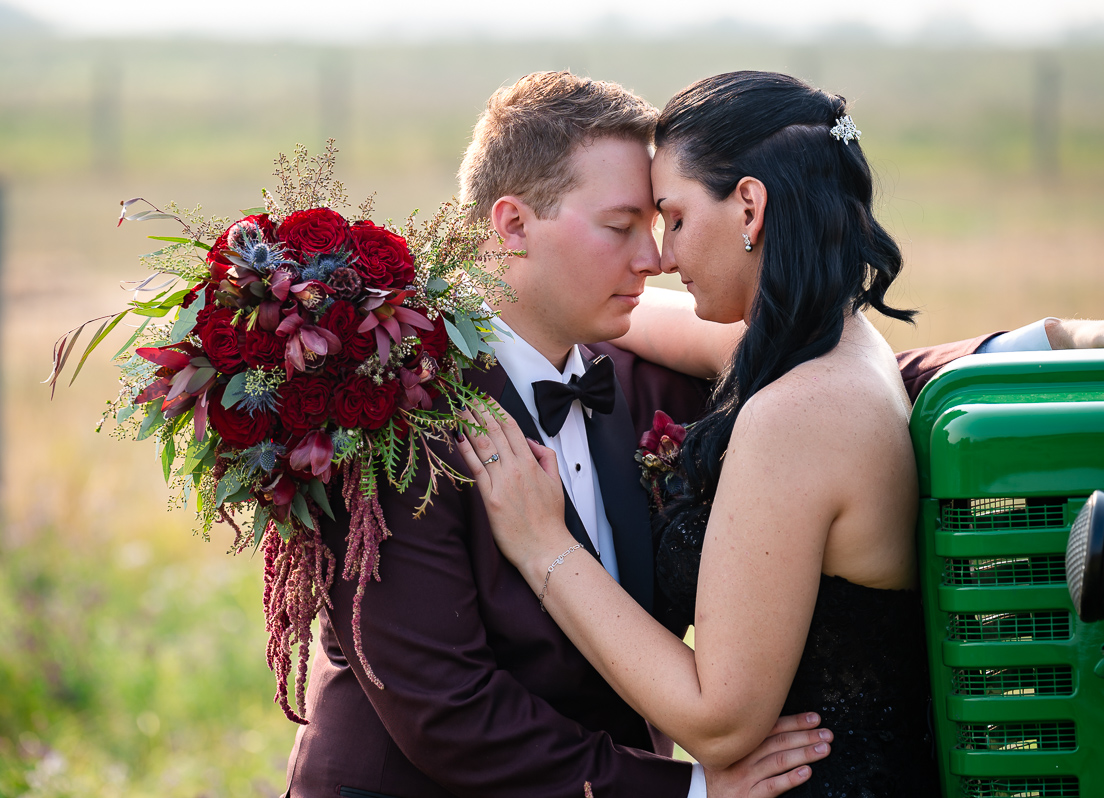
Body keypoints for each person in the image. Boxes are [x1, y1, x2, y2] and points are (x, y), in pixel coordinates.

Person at [283, 71, 1078, 798]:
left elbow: (835, 390)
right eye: (625, 224)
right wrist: (686, 792)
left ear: (752, 209)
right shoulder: (398, 410)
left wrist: (1039, 346)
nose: (656, 257)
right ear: (513, 224)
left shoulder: (673, 384)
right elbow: (445, 708)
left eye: (663, 219)